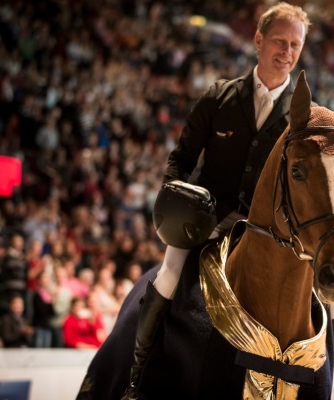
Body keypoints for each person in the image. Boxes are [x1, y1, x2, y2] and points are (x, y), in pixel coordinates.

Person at [121, 3, 314, 398]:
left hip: (262, 230)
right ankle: (137, 377)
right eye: (280, 41)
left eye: (296, 45)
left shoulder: (302, 116)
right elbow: (181, 159)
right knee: (169, 273)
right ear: (258, 39)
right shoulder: (219, 96)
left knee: (316, 298)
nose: (288, 52)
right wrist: (174, 197)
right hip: (204, 219)